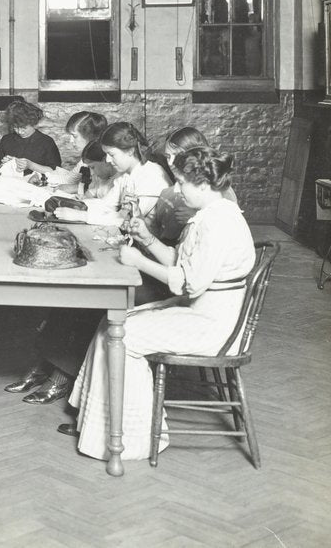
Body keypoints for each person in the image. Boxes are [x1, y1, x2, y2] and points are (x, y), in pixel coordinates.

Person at [62, 146, 256, 461]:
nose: (176, 190)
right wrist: (147, 239)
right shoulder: (211, 215)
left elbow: (188, 283)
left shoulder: (216, 223)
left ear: (204, 185)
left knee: (121, 336)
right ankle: (97, 424)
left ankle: (128, 437)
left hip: (211, 327)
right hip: (201, 312)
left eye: (182, 183)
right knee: (111, 322)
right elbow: (181, 262)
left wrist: (139, 260)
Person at [5, 123, 171, 404]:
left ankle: (61, 376)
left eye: (112, 154)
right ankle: (45, 365)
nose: (107, 160)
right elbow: (108, 206)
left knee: (84, 301)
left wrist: (80, 216)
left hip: (148, 266)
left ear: (131, 150)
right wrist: (75, 210)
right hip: (130, 253)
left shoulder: (152, 177)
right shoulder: (127, 174)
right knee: (67, 296)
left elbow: (126, 220)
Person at [0, 100, 61, 179]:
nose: (20, 132)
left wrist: (30, 165)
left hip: (35, 185)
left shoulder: (47, 142)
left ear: (33, 124)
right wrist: (2, 166)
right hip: (10, 184)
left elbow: (55, 171)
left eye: (24, 128)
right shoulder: (6, 139)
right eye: (15, 127)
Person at [45, 111, 108, 191]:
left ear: (90, 136)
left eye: (74, 136)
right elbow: (71, 178)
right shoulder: (86, 158)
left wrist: (76, 188)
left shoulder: (102, 160)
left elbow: (71, 181)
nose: (71, 141)